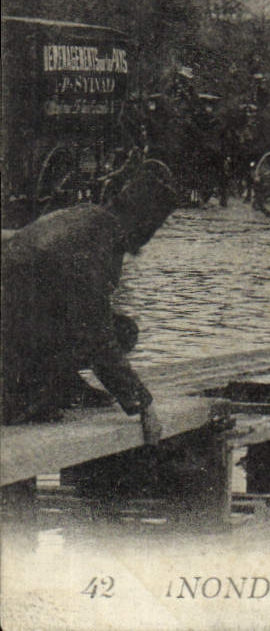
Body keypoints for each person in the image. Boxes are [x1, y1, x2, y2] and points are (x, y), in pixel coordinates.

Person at [2, 160, 177, 445]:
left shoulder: (88, 217)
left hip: (20, 326)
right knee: (106, 331)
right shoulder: (95, 245)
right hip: (15, 344)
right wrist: (144, 405)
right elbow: (96, 336)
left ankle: (65, 386)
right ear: (144, 223)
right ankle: (30, 395)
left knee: (122, 329)